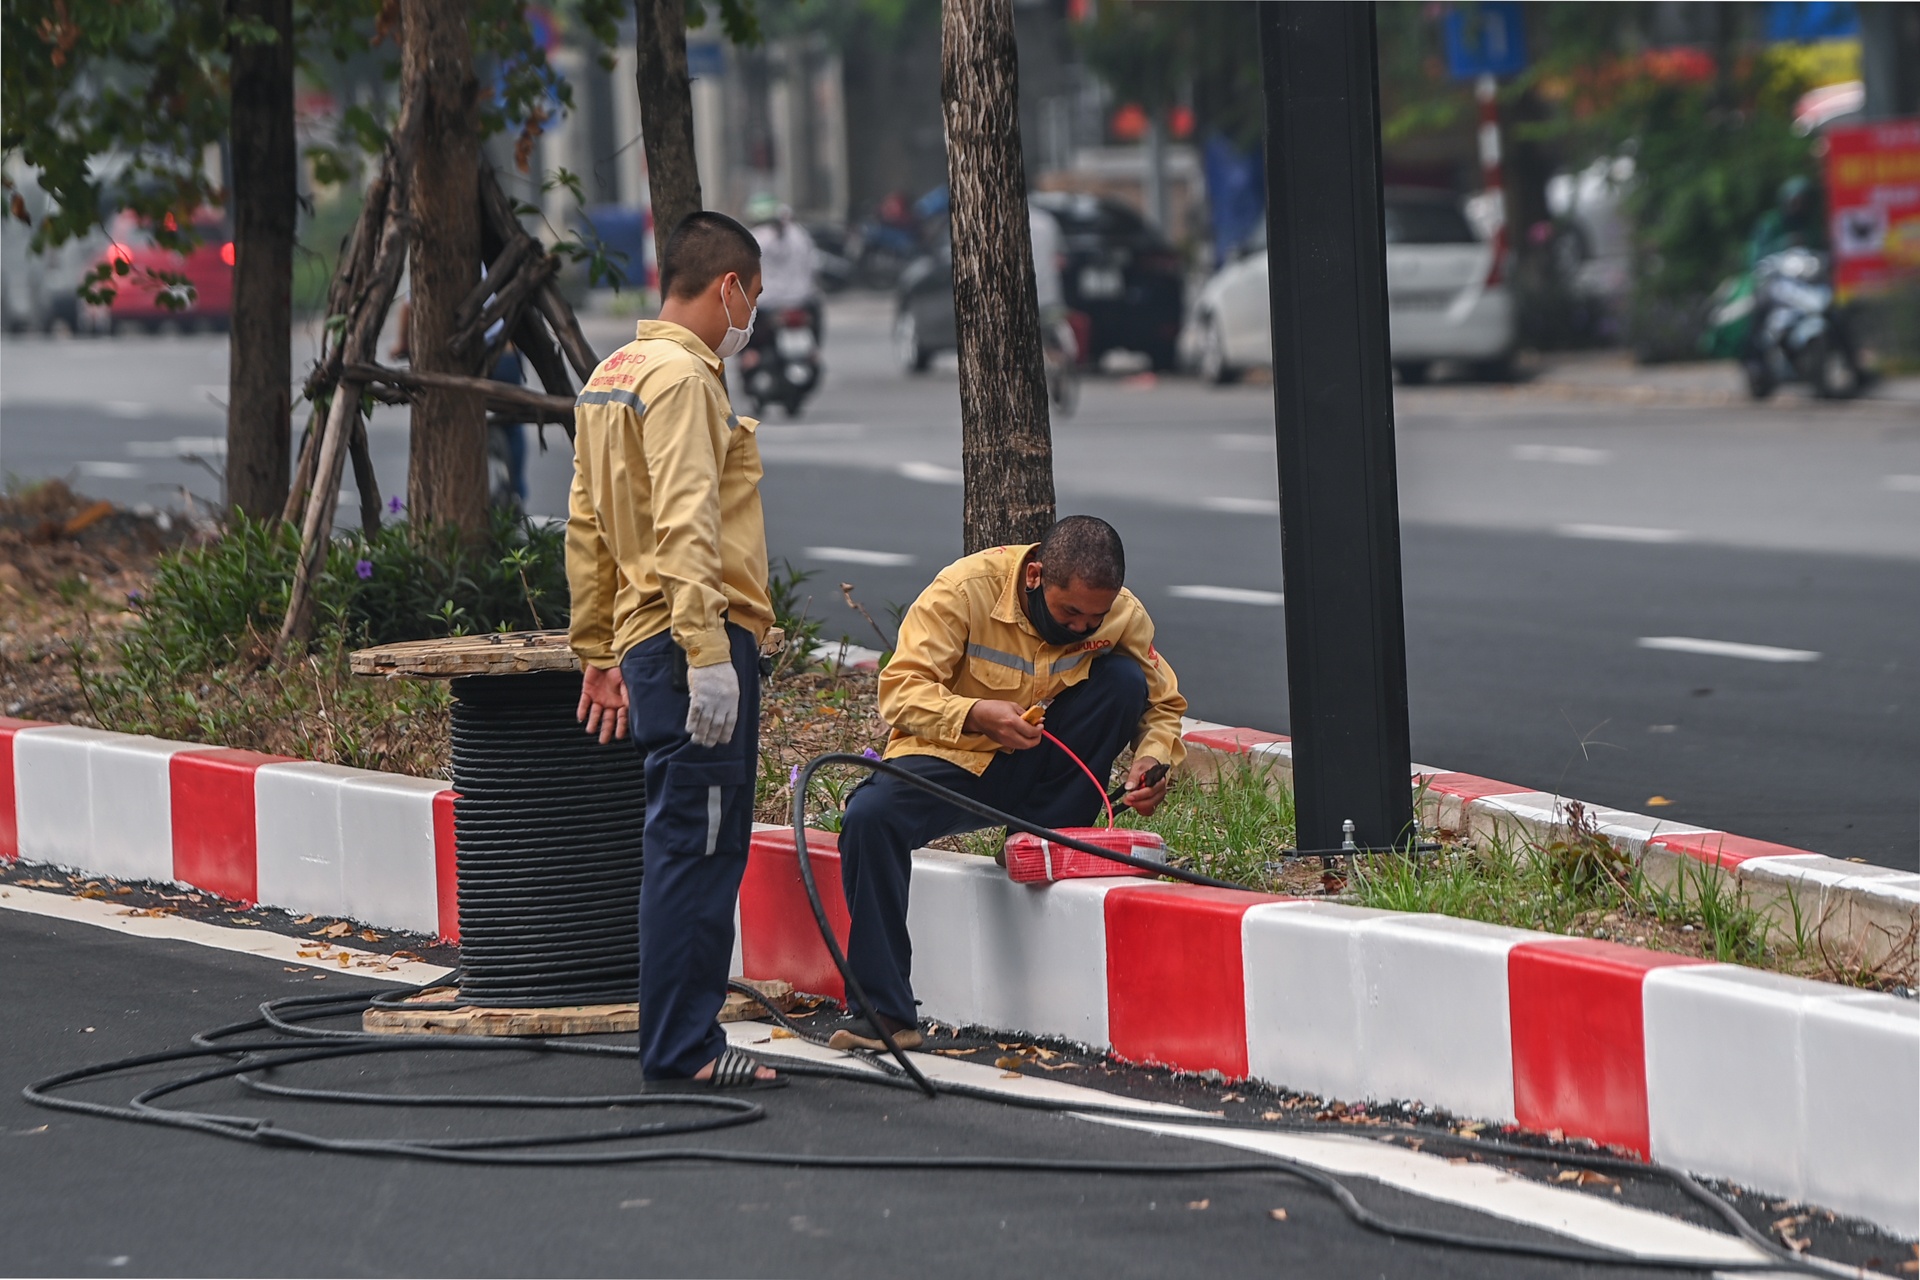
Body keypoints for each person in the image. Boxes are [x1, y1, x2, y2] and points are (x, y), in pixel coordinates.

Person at [830, 517, 1187, 1052]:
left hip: (1044, 771)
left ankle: (1043, 838)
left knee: (1123, 681)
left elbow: (1163, 704)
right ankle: (884, 1012)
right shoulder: (963, 590)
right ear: (1036, 576)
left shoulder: (1122, 614)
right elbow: (900, 690)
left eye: (1095, 617)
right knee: (868, 818)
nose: (1081, 627)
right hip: (954, 761)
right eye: (1070, 612)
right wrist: (975, 714)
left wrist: (1152, 761)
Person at [567, 210, 782, 1088]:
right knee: (702, 847)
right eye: (754, 297)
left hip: (644, 640)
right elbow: (689, 522)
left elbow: (586, 528)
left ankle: (675, 1039)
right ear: (728, 286)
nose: (751, 317)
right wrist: (707, 656)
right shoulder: (687, 379)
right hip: (695, 639)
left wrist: (599, 650)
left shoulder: (609, 374)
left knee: (677, 841)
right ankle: (685, 1048)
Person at [746, 193, 821, 340]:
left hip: (767, 303)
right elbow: (814, 265)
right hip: (802, 300)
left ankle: (750, 355)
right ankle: (815, 353)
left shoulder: (754, 237)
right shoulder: (800, 234)